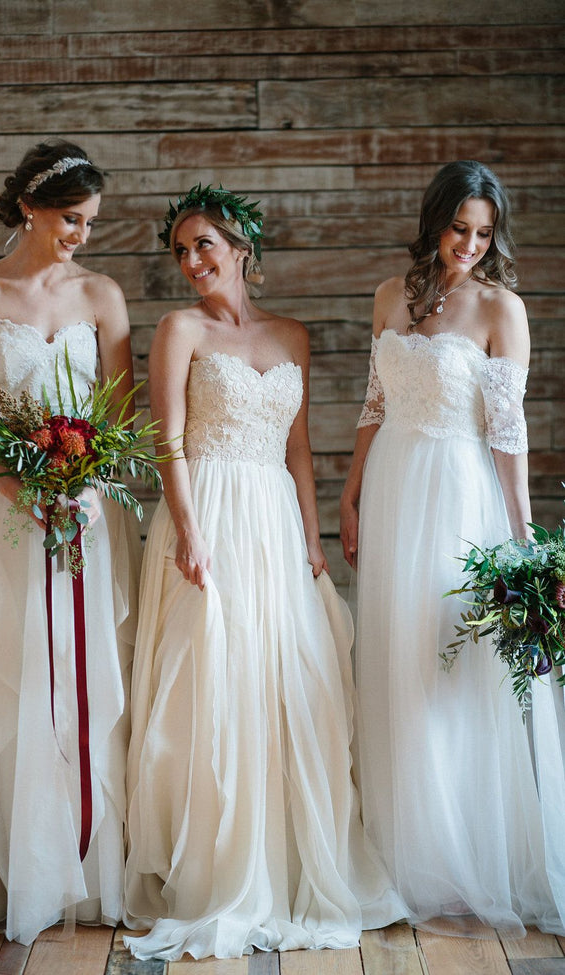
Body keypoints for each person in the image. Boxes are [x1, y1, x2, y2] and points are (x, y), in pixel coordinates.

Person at [122, 184, 406, 961]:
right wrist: (188, 529)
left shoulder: (293, 335)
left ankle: (288, 858)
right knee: (209, 682)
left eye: (203, 244)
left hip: (275, 520)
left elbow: (299, 447)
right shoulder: (179, 329)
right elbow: (167, 442)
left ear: (242, 247)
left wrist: (312, 539)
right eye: (180, 250)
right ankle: (217, 866)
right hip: (209, 510)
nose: (190, 261)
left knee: (289, 681)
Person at [0, 140, 142, 944]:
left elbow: (117, 411)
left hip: (83, 509)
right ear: (30, 209)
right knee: (6, 674)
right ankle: (4, 868)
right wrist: (23, 489)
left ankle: (82, 866)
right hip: (2, 510)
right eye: (72, 219)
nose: (82, 234)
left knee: (79, 676)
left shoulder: (103, 295)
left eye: (89, 222)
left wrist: (77, 487)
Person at [340, 160, 565, 937]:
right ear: (434, 220)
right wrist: (352, 487)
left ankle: (466, 855)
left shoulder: (502, 308)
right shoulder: (389, 297)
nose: (469, 244)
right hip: (397, 485)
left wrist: (524, 535)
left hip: (461, 495)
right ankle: (407, 854)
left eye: (483, 232)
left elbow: (509, 433)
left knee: (452, 667)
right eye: (458, 227)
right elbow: (375, 402)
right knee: (398, 660)